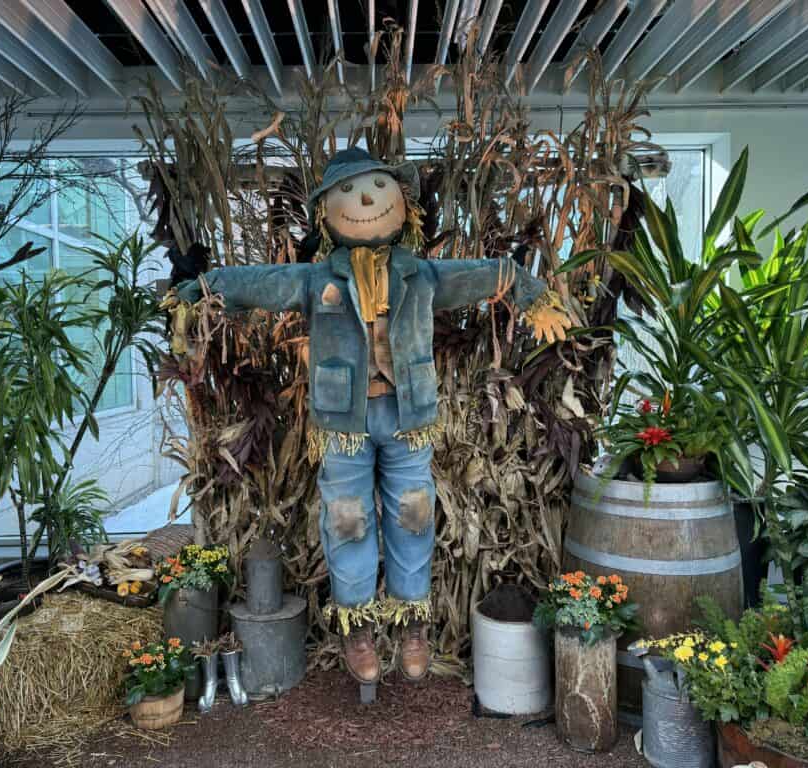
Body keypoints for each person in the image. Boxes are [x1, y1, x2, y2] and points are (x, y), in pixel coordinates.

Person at [173, 147, 568, 684]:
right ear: (325, 214)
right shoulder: (317, 279)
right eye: (349, 192)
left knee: (414, 514)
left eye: (379, 188)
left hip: (409, 419)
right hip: (344, 425)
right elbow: (257, 281)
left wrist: (530, 293)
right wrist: (198, 290)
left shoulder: (421, 275)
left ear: (404, 204)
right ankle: (356, 630)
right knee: (347, 519)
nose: (365, 201)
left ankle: (412, 626)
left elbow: (486, 273)